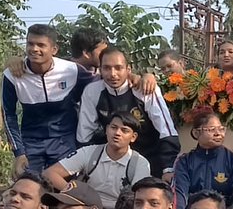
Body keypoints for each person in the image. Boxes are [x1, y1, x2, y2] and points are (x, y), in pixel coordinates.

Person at [2, 24, 95, 174]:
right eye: (30, 44)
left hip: (65, 142)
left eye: (41, 45)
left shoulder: (71, 70)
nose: (34, 49)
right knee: (29, 188)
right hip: (31, 142)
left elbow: (104, 83)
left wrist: (137, 78)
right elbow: (8, 115)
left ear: (54, 49)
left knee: (64, 191)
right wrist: (19, 153)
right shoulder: (13, 74)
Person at [76, 46, 181, 179]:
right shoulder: (92, 91)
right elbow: (84, 135)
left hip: (151, 158)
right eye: (107, 68)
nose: (113, 74)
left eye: (118, 68)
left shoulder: (145, 89)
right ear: (100, 70)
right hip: (113, 160)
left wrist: (167, 168)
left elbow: (166, 131)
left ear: (128, 69)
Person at [44, 112, 151, 209]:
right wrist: (75, 194)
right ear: (106, 129)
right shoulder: (89, 152)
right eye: (113, 128)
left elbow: (137, 203)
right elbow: (50, 173)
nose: (117, 133)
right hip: (85, 207)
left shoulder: (140, 163)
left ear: (133, 137)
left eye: (124, 130)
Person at [171, 111, 233, 209]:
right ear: (196, 133)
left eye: (221, 129)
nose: (218, 134)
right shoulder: (184, 162)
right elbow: (179, 196)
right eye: (212, 130)